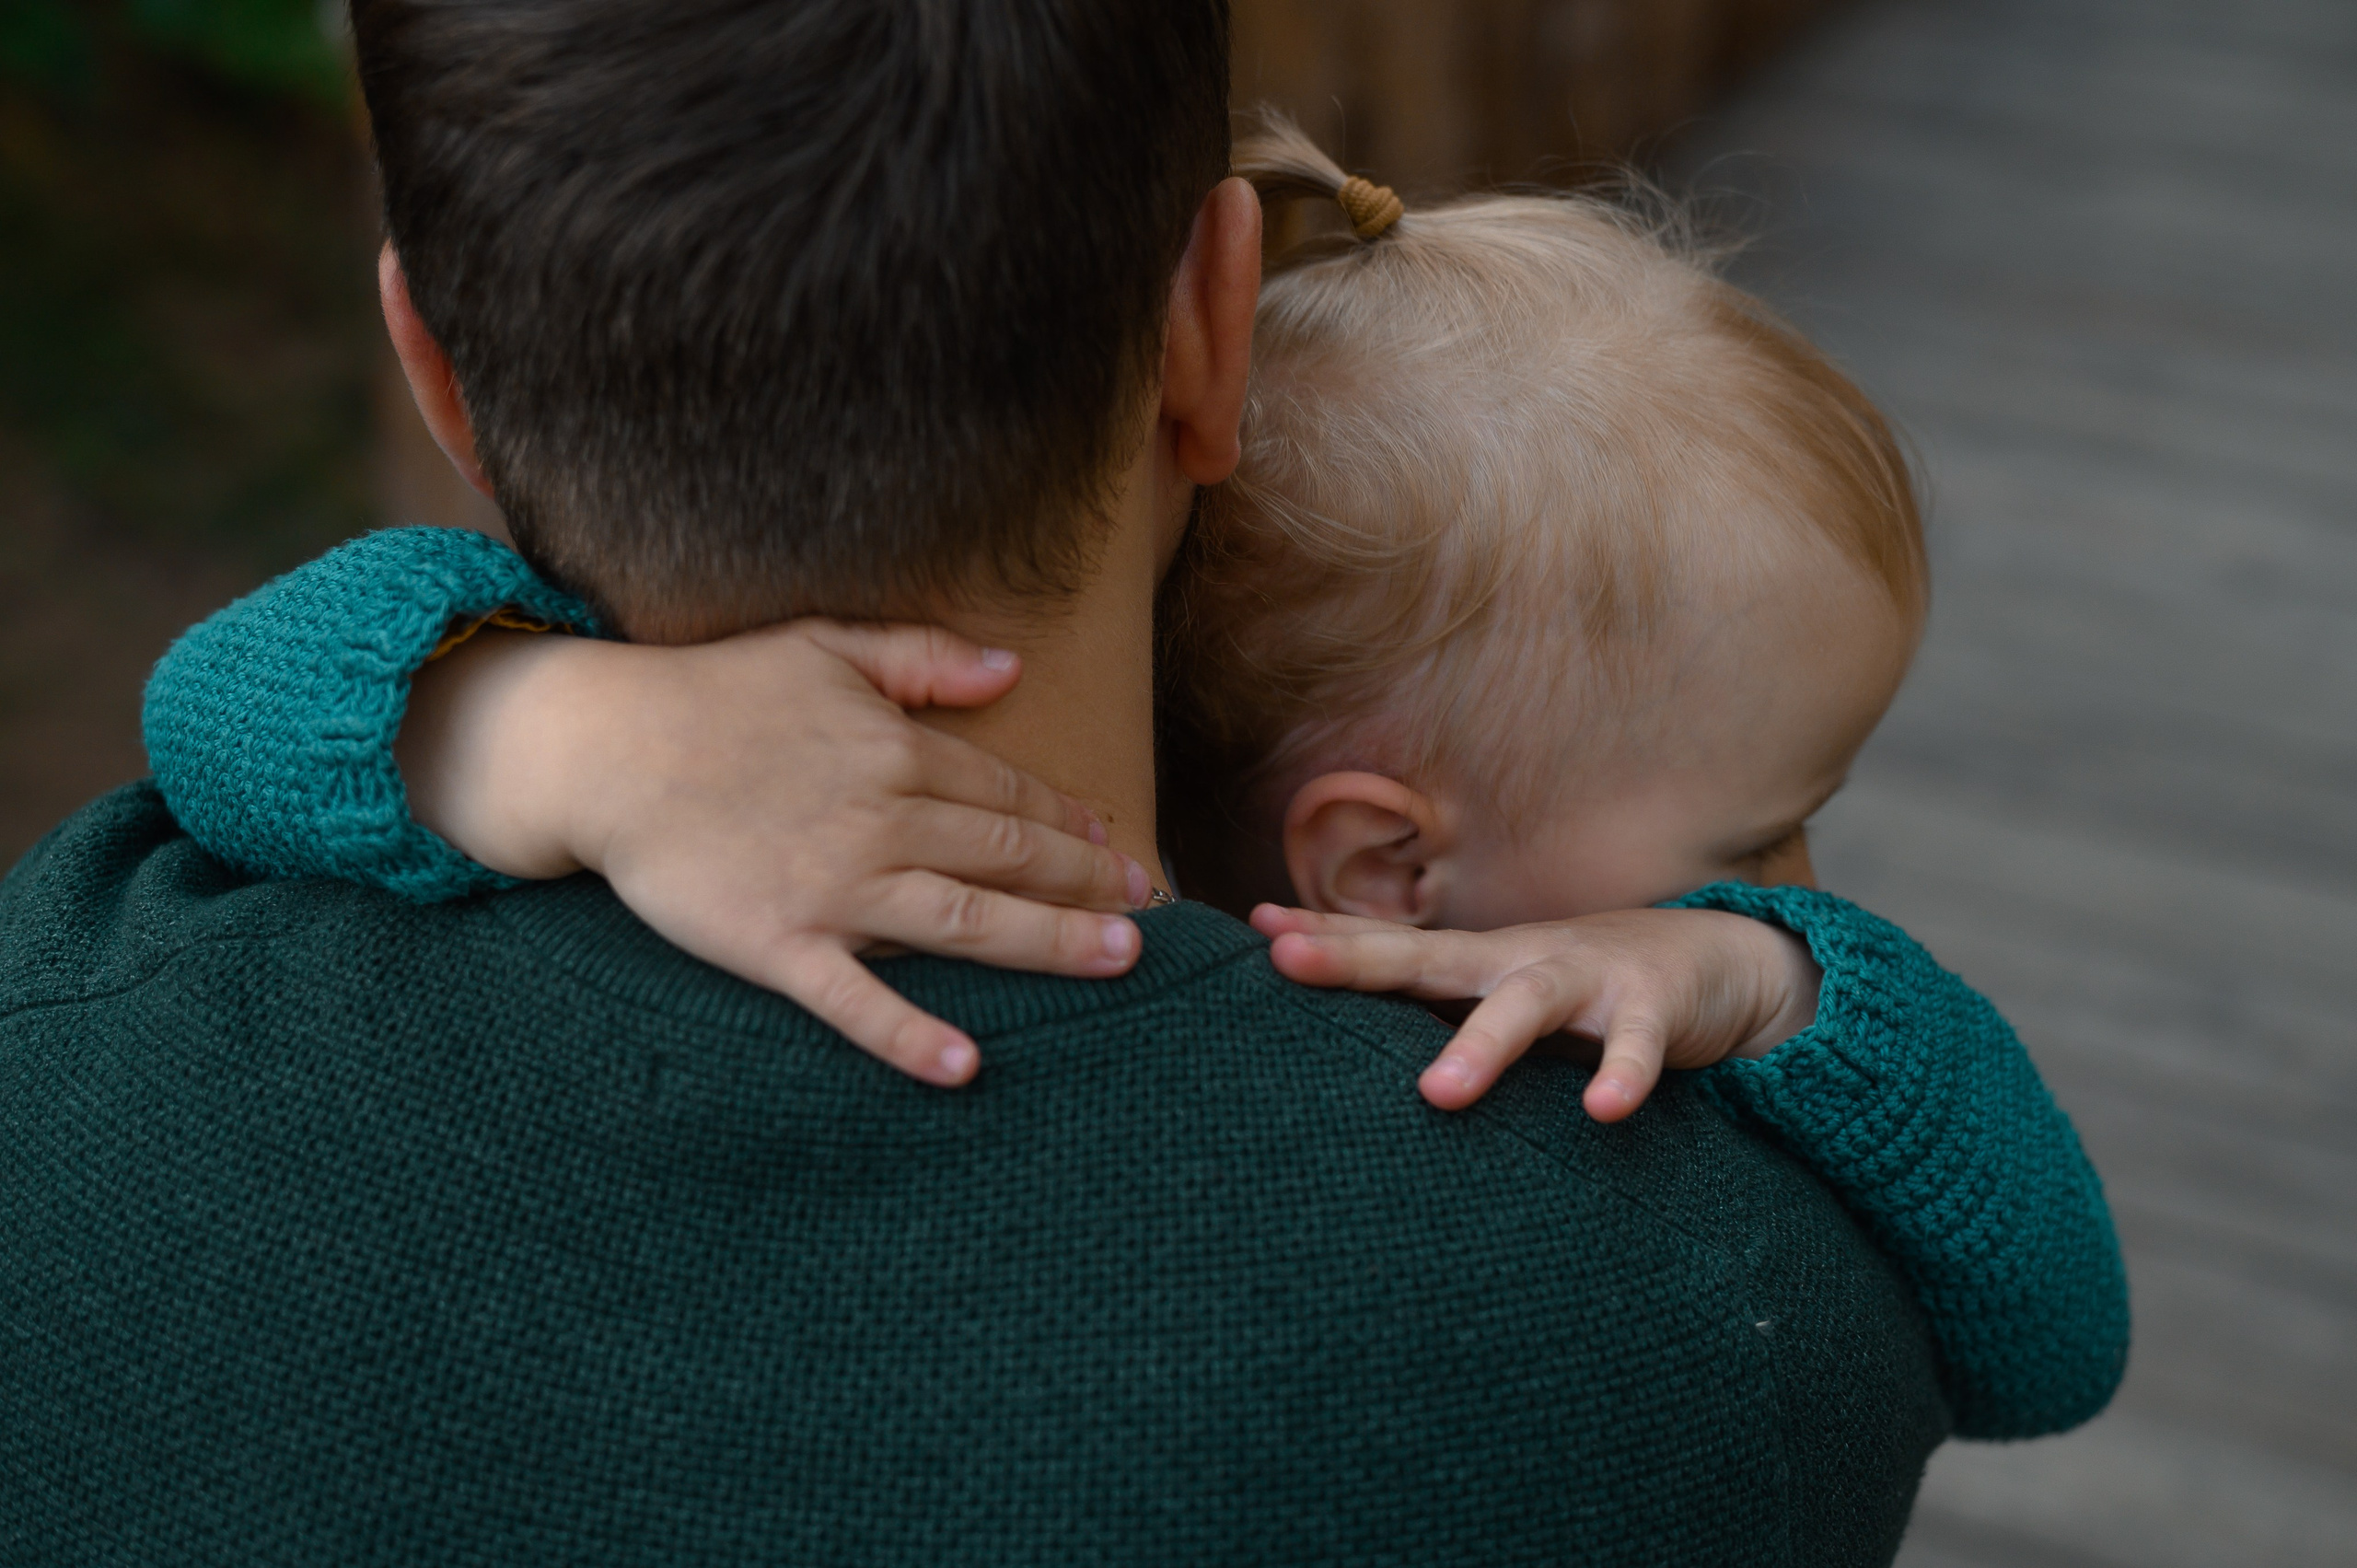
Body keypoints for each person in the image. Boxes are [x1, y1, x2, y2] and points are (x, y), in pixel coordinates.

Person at [3, 6, 2085, 1567]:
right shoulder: (1698, 1305)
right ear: (1206, 328)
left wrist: (510, 723)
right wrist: (1782, 976)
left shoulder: (64, 1055)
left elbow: (224, 718)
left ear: (432, 372)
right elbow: (2039, 1322)